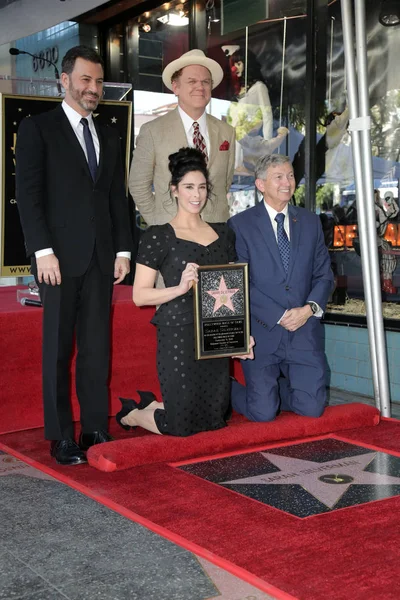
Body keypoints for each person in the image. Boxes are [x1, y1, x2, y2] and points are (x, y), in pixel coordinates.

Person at [16, 46, 132, 465]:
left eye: (99, 81)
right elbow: (27, 197)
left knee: (97, 347)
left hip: (102, 257)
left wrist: (122, 249)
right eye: (85, 80)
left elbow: (116, 196)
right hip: (57, 260)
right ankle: (61, 435)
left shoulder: (111, 133)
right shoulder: (38, 129)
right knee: (59, 349)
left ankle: (95, 428)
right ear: (64, 80)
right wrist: (41, 251)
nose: (93, 89)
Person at [117, 148, 254, 435]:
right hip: (176, 334)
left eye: (202, 187)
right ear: (174, 190)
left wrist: (241, 336)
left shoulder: (223, 233)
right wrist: (178, 288)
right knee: (181, 426)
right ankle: (133, 414)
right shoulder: (158, 235)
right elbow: (140, 295)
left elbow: (232, 290)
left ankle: (156, 405)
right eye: (189, 187)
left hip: (214, 336)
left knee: (215, 419)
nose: (196, 194)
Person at [229, 154, 334, 422]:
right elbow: (239, 283)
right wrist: (278, 314)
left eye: (290, 176)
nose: (287, 182)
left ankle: (278, 392)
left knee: (312, 409)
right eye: (279, 177)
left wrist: (308, 309)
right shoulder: (240, 225)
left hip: (303, 330)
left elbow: (324, 275)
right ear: (260, 184)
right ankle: (227, 388)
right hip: (263, 331)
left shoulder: (310, 222)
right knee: (263, 413)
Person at [129, 49, 235, 226]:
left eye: (205, 82)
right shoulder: (152, 131)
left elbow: (225, 182)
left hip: (217, 232)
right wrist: (159, 225)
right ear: (175, 87)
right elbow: (138, 186)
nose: (200, 87)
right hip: (172, 236)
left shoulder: (226, 132)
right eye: (192, 81)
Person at [227, 48, 289, 174]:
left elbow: (267, 116)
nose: (235, 68)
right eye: (233, 64)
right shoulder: (238, 91)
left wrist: (266, 147)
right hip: (235, 138)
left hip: (249, 137)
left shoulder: (259, 87)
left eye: (238, 64)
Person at [375, 189, 399, 294]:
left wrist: (391, 204)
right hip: (374, 238)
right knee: (388, 255)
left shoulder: (377, 207)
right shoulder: (374, 208)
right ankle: (386, 283)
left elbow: (391, 214)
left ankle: (386, 282)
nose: (379, 198)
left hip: (377, 238)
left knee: (387, 256)